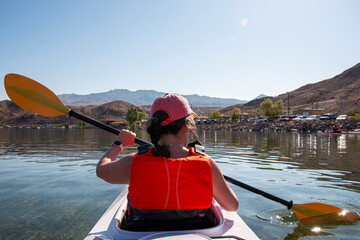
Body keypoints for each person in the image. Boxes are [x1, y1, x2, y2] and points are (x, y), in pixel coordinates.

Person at [96, 93, 238, 230]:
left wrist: (119, 143)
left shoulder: (133, 163)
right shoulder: (206, 164)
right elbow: (232, 206)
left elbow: (101, 169)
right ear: (186, 126)